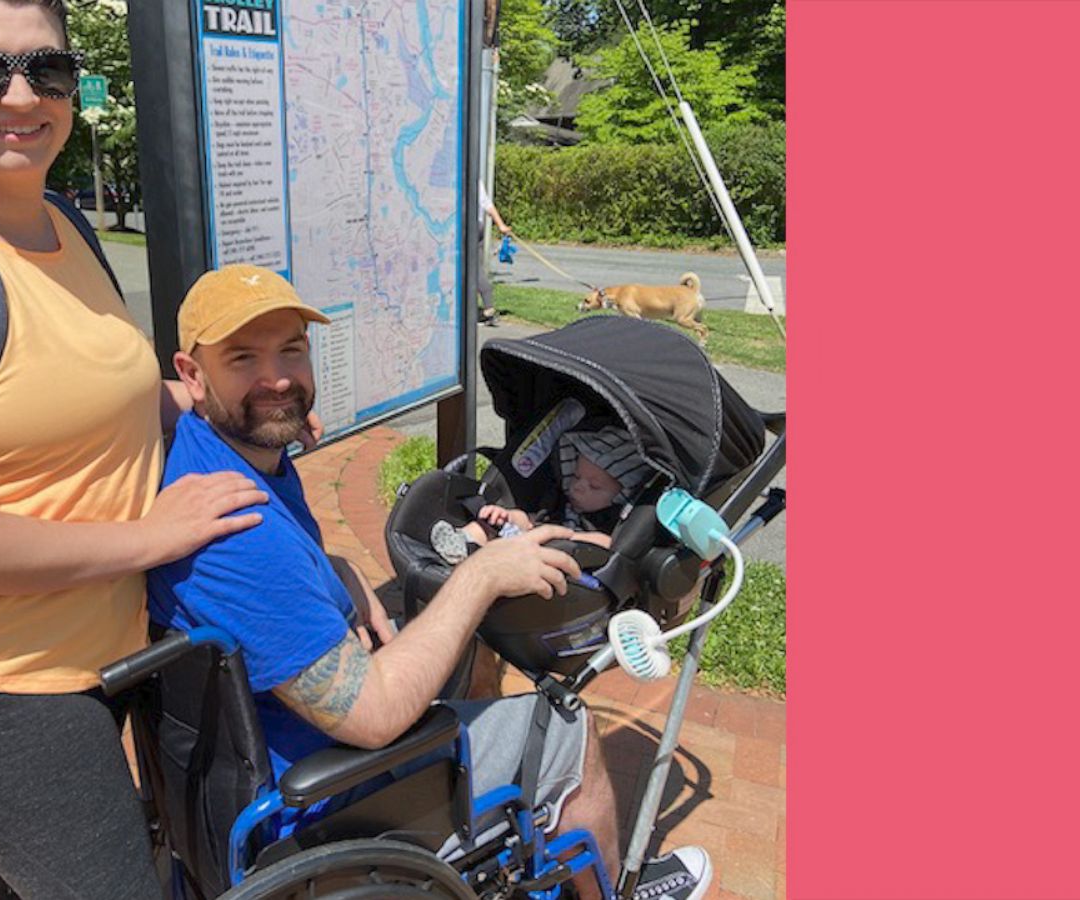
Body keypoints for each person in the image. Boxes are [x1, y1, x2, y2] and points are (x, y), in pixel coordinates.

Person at [0, 2, 293, 896]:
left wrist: (237, 405)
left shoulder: (64, 222)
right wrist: (153, 538)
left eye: (48, 71)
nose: (21, 95)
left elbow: (109, 390)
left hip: (98, 649)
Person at [147, 265, 712, 900]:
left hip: (245, 769)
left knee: (453, 650)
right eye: (242, 358)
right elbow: (375, 717)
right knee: (567, 727)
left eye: (291, 351)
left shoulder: (210, 454)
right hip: (322, 799)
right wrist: (482, 574)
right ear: (191, 376)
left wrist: (333, 568)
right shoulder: (242, 533)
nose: (277, 379)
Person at [429, 425, 652, 564]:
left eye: (594, 486)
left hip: (556, 562)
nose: (578, 487)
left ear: (621, 494)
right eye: (575, 476)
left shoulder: (612, 522)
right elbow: (531, 520)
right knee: (492, 523)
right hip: (527, 543)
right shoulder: (561, 500)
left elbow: (608, 544)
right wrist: (507, 516)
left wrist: (566, 538)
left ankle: (477, 555)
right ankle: (461, 543)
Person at [476, 179, 513, 325]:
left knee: (472, 269)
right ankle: (485, 307)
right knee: (474, 268)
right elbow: (487, 204)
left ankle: (488, 309)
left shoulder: (455, 176)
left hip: (465, 225)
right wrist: (501, 225)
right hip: (478, 225)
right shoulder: (475, 179)